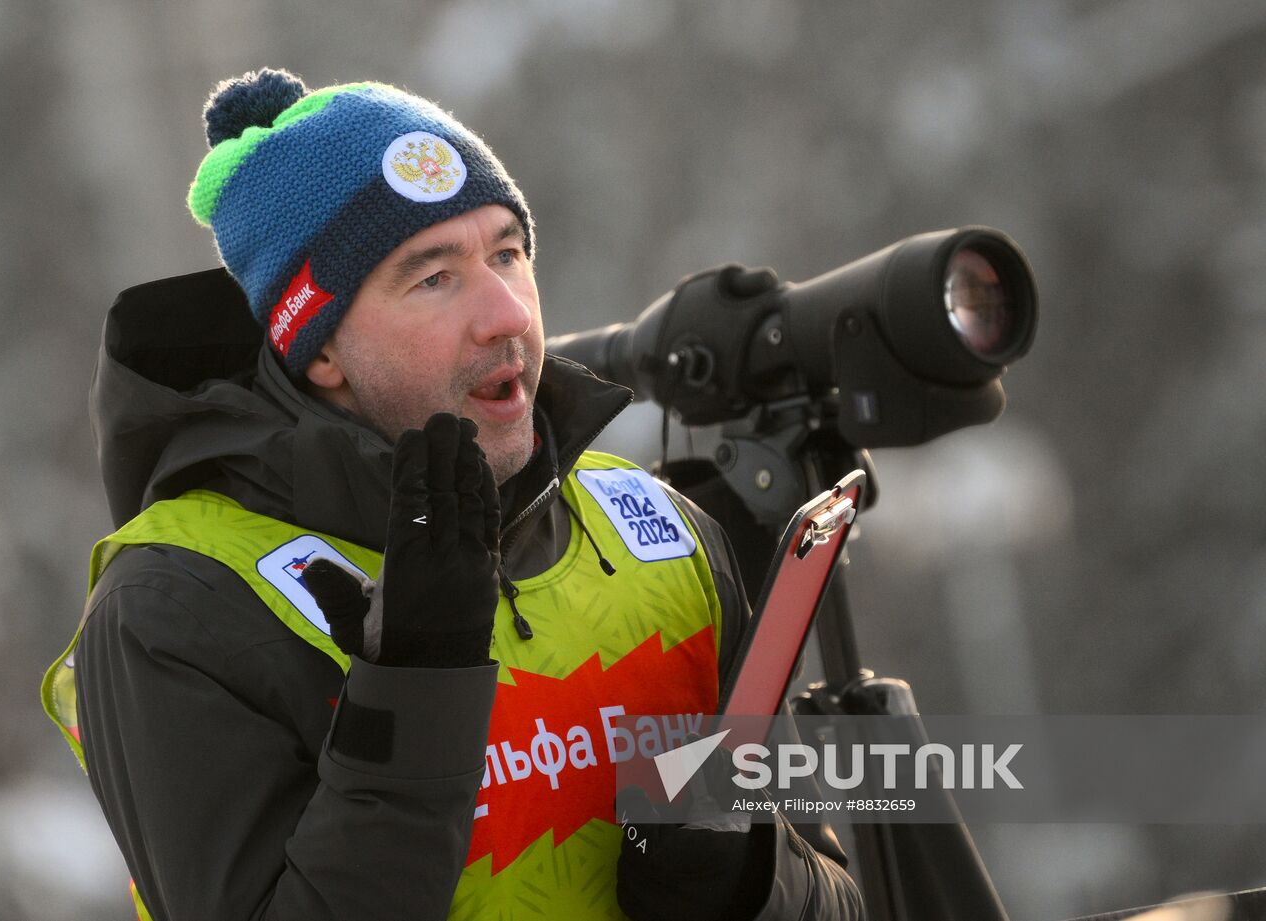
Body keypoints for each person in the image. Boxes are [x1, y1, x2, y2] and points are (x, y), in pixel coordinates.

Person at [42, 68, 862, 921]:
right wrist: (415, 688)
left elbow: (838, 894)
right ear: (318, 347)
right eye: (432, 277)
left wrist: (751, 880)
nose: (506, 313)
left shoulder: (662, 534)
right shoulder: (179, 602)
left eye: (508, 253)